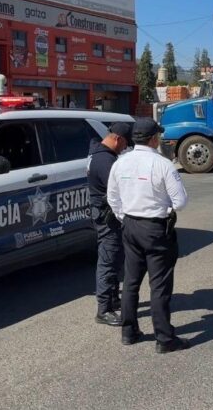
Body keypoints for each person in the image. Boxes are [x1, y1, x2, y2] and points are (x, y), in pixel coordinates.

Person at [106, 118, 189, 353]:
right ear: (153, 139)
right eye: (158, 136)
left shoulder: (120, 163)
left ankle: (129, 332)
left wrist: (125, 217)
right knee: (159, 285)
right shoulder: (163, 164)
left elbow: (113, 198)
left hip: (130, 225)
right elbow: (180, 202)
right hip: (155, 228)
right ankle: (164, 338)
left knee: (131, 282)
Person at [88, 122, 133, 326]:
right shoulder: (105, 160)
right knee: (107, 260)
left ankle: (113, 299)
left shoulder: (101, 155)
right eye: (124, 144)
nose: (125, 148)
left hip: (108, 216)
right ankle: (103, 309)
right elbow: (117, 189)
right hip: (107, 217)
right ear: (117, 139)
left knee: (114, 258)